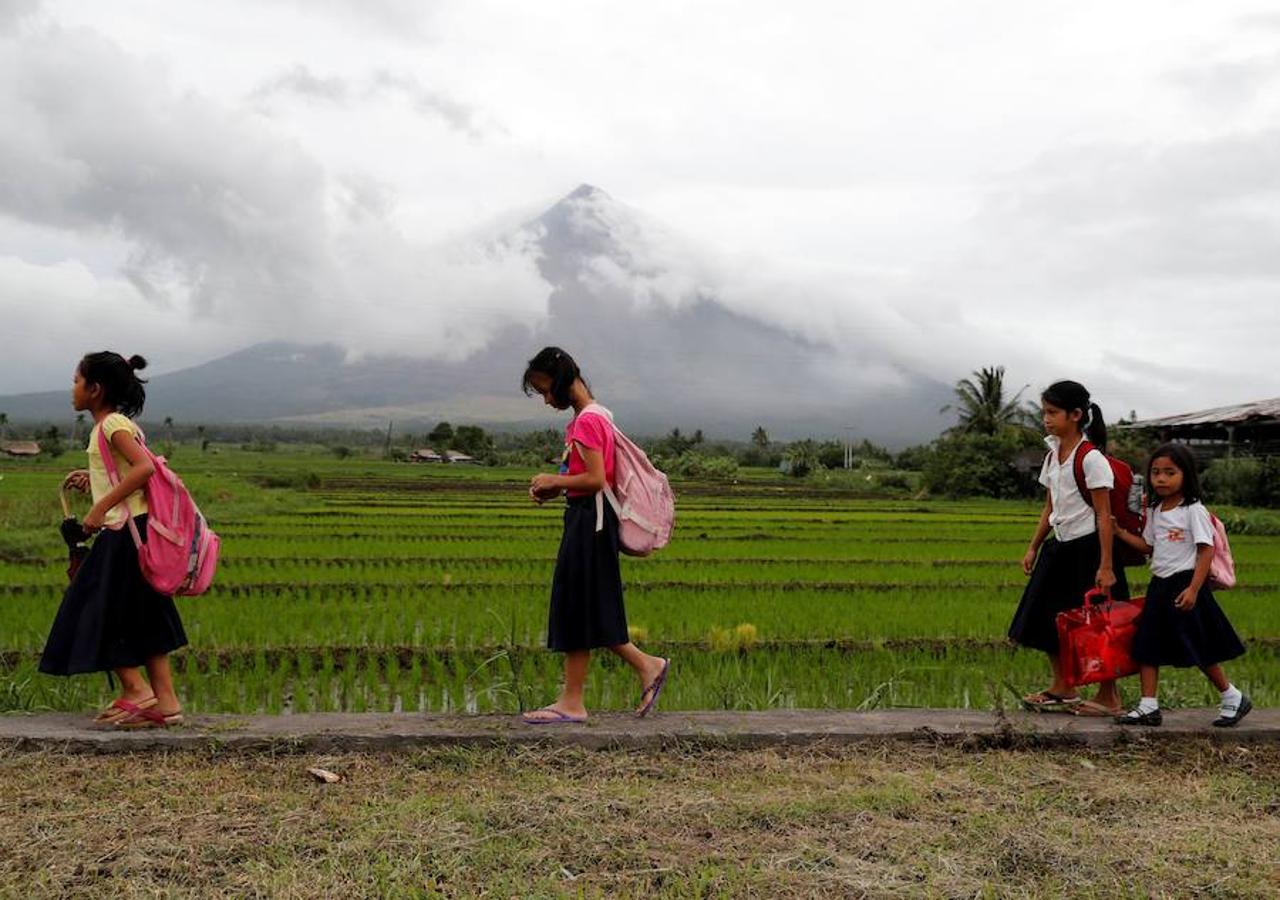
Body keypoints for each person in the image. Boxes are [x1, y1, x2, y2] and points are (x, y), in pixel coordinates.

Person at [519, 346, 669, 723]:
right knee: (586, 605)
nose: (547, 400)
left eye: (545, 389)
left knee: (577, 604)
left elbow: (596, 479)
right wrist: (559, 489)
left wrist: (554, 479)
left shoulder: (587, 421)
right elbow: (591, 481)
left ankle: (576, 699)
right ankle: (643, 667)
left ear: (562, 379)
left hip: (591, 522)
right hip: (592, 519)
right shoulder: (599, 415)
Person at [39, 352, 187, 728]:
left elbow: (144, 467)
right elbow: (126, 470)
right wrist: (96, 479)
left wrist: (96, 509)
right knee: (143, 614)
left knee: (90, 608)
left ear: (95, 389)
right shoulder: (113, 426)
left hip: (121, 533)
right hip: (134, 529)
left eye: (76, 380)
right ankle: (166, 702)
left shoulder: (111, 425)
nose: (72, 388)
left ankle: (137, 690)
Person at [1009, 380, 1130, 716]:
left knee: (1100, 624)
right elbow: (1051, 508)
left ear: (1076, 415)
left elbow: (1105, 517)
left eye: (1052, 412)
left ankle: (1109, 696)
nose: (1046, 419)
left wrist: (1106, 566)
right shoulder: (1052, 456)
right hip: (1059, 548)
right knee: (1044, 618)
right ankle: (1063, 686)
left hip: (1091, 551)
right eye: (1044, 412)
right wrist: (1033, 547)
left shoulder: (1091, 459)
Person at [1113, 443, 1249, 727]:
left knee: (1198, 645)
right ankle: (1148, 705)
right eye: (1155, 472)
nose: (1161, 479)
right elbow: (1148, 545)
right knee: (1146, 643)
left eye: (1169, 473)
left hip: (1185, 585)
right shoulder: (1156, 510)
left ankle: (1232, 696)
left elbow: (1206, 550)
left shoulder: (1193, 510)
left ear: (1185, 475)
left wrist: (1194, 589)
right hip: (1160, 584)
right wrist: (1120, 533)